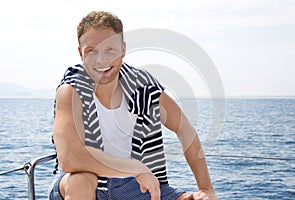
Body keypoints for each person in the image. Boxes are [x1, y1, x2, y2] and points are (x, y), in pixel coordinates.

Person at [48, 11, 217, 200]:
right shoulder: (71, 90)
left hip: (131, 184)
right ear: (81, 53)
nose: (101, 59)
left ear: (123, 49)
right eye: (91, 51)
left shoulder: (143, 87)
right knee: (81, 182)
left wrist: (205, 189)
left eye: (109, 49)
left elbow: (185, 129)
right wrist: (135, 168)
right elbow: (70, 158)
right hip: (81, 182)